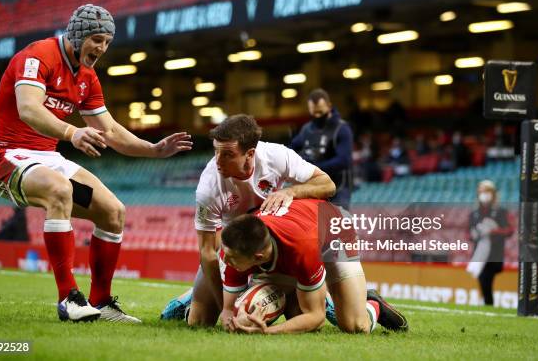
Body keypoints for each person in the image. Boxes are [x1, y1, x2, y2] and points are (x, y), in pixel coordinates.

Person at [0, 4, 192, 323]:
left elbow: (109, 131)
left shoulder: (88, 78)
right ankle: (68, 299)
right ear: (77, 35)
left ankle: (102, 302)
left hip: (48, 158)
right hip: (6, 155)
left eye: (107, 41)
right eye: (96, 39)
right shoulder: (37, 56)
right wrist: (71, 131)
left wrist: (153, 150)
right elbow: (28, 108)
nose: (102, 48)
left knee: (114, 212)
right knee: (59, 190)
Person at [161, 114, 336, 325]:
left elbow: (328, 185)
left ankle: (326, 300)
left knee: (298, 314)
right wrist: (225, 307)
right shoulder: (208, 188)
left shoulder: (276, 156)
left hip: (273, 243)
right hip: (236, 248)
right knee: (199, 321)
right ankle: (187, 300)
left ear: (250, 153)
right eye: (216, 151)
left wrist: (292, 192)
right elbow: (207, 251)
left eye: (227, 154)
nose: (217, 161)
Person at [219, 199, 408, 334]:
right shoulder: (234, 247)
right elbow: (227, 309)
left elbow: (316, 318)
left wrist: (268, 331)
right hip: (300, 231)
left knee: (356, 326)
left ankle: (373, 305)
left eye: (230, 259)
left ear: (257, 257)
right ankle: (317, 293)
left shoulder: (303, 250)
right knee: (296, 313)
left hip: (335, 231)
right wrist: (234, 322)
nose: (225, 261)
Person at [290, 88, 354, 210]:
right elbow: (290, 150)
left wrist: (315, 167)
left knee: (338, 225)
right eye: (314, 113)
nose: (317, 116)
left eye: (320, 112)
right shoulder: (306, 129)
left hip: (338, 188)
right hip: (314, 187)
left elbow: (344, 160)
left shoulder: (342, 128)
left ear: (329, 106)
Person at [466, 180, 515, 306]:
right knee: (483, 280)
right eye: (481, 191)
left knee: (486, 279)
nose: (484, 194)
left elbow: (509, 230)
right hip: (479, 254)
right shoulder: (474, 213)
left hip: (494, 254)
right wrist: (474, 234)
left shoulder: (501, 212)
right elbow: (468, 233)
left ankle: (488, 304)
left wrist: (493, 231)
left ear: (493, 194)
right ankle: (488, 304)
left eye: (487, 191)